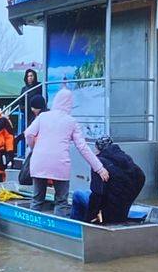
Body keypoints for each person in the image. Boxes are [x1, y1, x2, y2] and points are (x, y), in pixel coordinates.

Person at [23, 84, 108, 217]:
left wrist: (34, 147)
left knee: (37, 199)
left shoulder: (43, 116)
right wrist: (100, 168)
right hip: (60, 164)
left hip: (39, 162)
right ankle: (59, 226)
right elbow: (83, 147)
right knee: (61, 201)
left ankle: (32, 225)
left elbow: (28, 134)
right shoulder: (71, 122)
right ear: (70, 104)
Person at [71, 137, 146, 224]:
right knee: (88, 193)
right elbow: (141, 177)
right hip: (122, 212)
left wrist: (90, 218)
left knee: (77, 194)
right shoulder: (127, 160)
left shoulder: (98, 164)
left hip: (106, 213)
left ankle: (75, 224)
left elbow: (97, 194)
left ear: (98, 149)